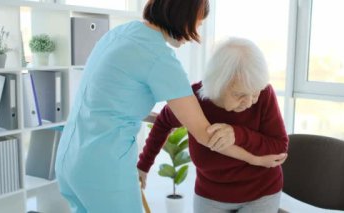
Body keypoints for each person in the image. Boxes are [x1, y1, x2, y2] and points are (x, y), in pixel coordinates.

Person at [54, 0, 246, 212]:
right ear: (183, 16)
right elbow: (205, 135)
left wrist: (153, 118)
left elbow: (104, 100)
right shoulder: (160, 58)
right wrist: (258, 158)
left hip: (69, 159)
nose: (196, 33)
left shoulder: (120, 33)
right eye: (197, 24)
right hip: (103, 170)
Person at [137, 37, 289, 213]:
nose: (249, 102)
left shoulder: (264, 94)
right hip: (210, 195)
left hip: (261, 193)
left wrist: (238, 134)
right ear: (218, 84)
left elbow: (279, 148)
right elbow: (163, 122)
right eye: (240, 95)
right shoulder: (192, 100)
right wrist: (143, 165)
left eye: (254, 94)